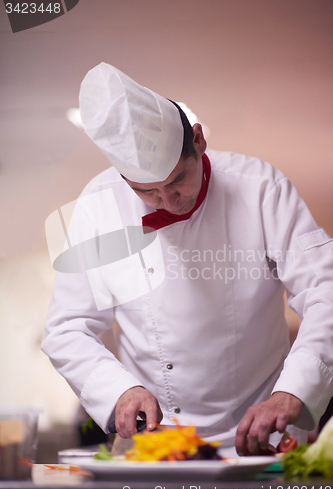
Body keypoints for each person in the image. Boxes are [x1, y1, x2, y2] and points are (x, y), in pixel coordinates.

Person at [42, 62, 333, 457]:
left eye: (178, 179)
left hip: (262, 436)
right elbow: (67, 327)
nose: (168, 201)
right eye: (148, 191)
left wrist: (293, 391)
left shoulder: (262, 188)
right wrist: (120, 390)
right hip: (155, 443)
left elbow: (325, 292)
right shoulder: (98, 206)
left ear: (198, 140)